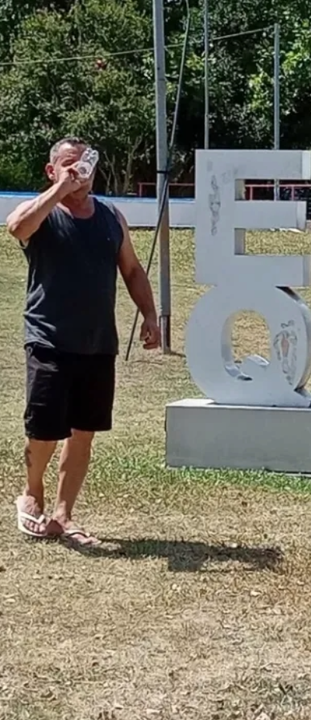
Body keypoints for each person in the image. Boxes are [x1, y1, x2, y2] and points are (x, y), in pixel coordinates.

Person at [5, 137, 160, 547]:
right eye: (68, 166)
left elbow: (131, 268)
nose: (79, 173)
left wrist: (149, 314)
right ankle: (31, 493)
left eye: (83, 165)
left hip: (96, 342)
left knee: (83, 432)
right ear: (51, 170)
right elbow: (16, 226)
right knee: (44, 431)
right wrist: (61, 190)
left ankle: (63, 515)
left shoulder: (111, 217)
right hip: (48, 338)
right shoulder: (44, 214)